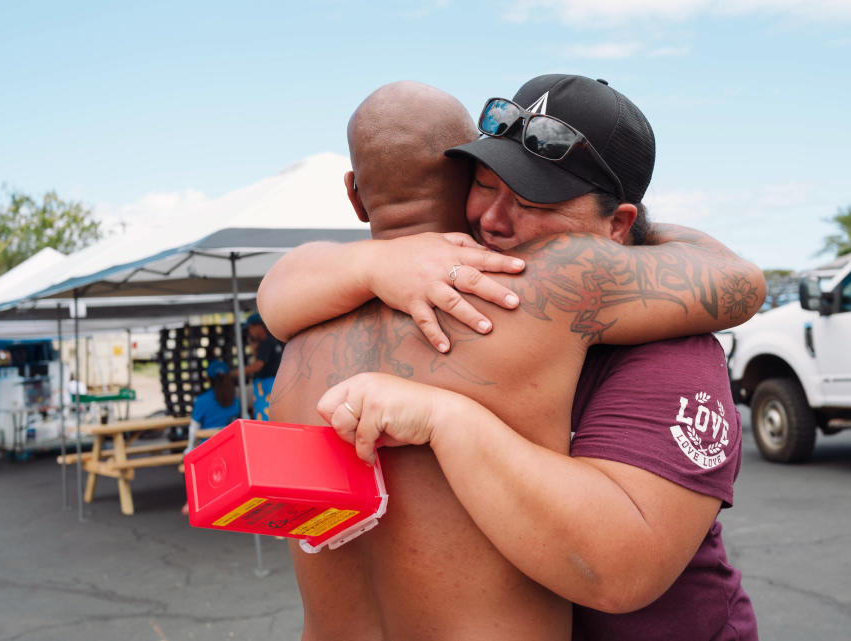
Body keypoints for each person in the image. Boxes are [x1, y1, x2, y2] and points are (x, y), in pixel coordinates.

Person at [260, 78, 761, 640]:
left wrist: (447, 419)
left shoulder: (306, 324)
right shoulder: (365, 288)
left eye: (531, 201)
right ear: (453, 181)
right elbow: (738, 276)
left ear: (618, 226)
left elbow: (622, 571)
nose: (495, 221)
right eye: (483, 184)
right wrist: (376, 265)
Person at [181, 359, 241, 514]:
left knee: (189, 459)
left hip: (208, 449)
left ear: (208, 379)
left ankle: (192, 502)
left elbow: (194, 429)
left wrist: (189, 449)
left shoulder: (202, 401)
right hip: (229, 448)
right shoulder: (235, 400)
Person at [240, 312, 283, 421]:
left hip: (266, 386)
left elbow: (258, 366)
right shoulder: (274, 341)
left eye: (250, 328)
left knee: (265, 417)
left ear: (258, 326)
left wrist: (237, 372)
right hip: (275, 384)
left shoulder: (266, 343)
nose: (250, 333)